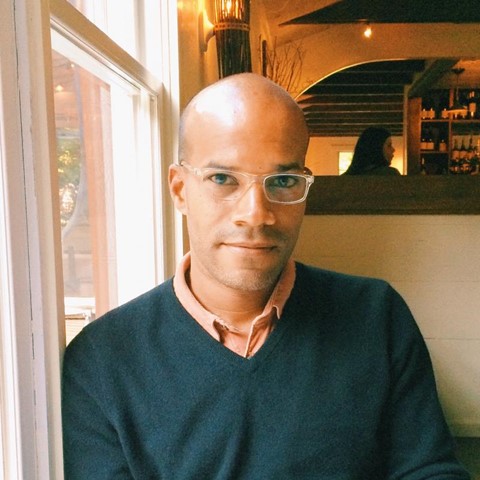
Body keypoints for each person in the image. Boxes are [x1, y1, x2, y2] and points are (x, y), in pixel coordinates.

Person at [62, 73, 470, 479]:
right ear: (180, 189)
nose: (256, 214)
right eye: (222, 179)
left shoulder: (376, 316)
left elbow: (429, 469)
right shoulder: (102, 359)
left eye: (284, 181)